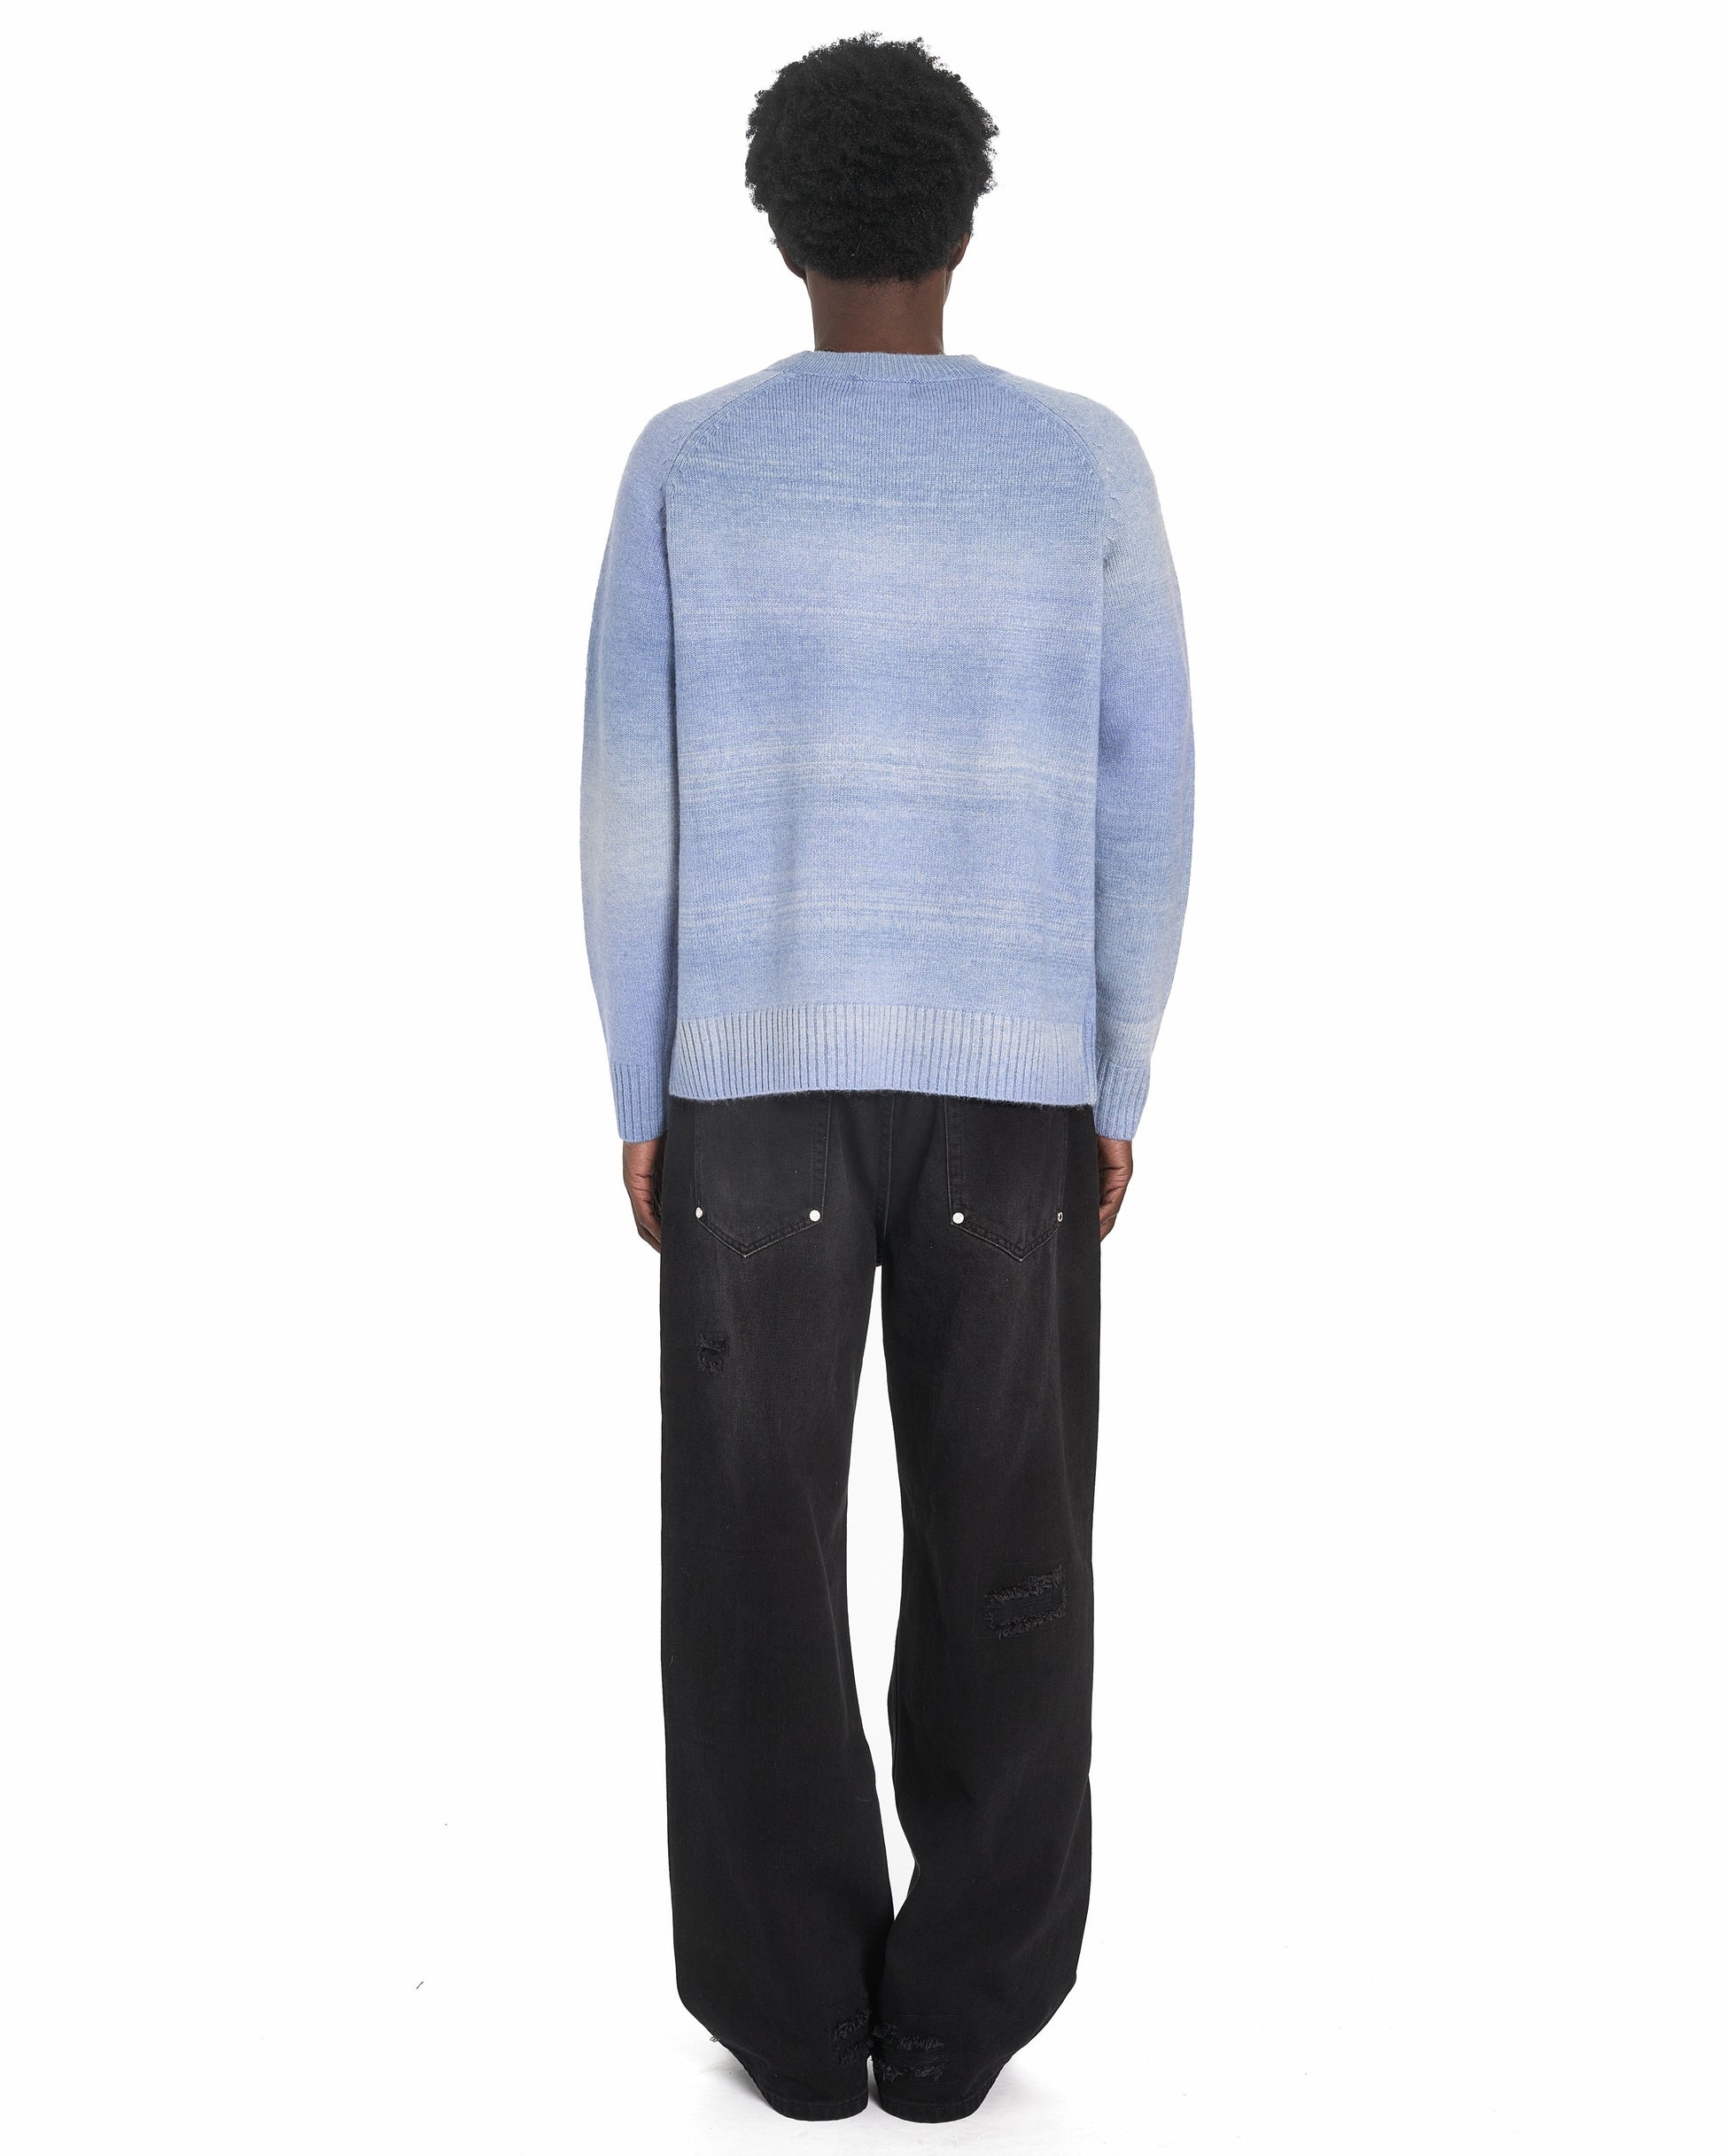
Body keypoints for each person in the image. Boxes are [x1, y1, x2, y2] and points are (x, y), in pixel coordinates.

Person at [581, 34, 1192, 2123]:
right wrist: (1114, 1067)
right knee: (1011, 1536)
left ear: (781, 228)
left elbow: (628, 791)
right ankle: (963, 2014)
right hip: (1014, 1090)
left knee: (749, 1550)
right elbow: (1147, 786)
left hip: (745, 1087)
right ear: (964, 222)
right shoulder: (1078, 461)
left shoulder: (691, 460)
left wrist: (642, 1081)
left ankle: (786, 2016)